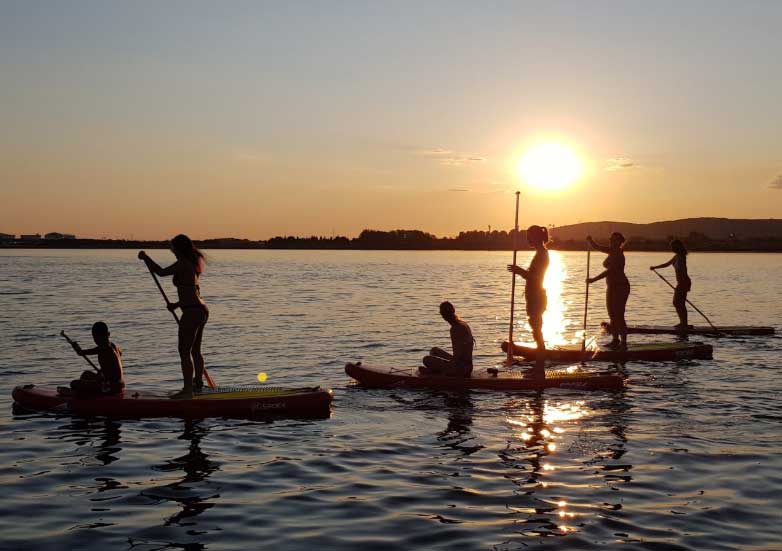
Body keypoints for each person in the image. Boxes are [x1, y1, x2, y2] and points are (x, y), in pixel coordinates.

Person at [138, 234, 208, 398]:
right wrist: (177, 305)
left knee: (184, 351)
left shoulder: (183, 264)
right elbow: (193, 292)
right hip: (201, 310)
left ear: (178, 248)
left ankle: (188, 390)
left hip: (192, 312)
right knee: (195, 351)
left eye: (172, 246)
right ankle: (197, 384)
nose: (171, 249)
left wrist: (146, 258)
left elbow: (161, 272)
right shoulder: (191, 264)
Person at [507, 225, 550, 378]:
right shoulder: (539, 253)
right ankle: (538, 365)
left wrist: (519, 271)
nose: (527, 239)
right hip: (533, 296)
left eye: (529, 236)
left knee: (537, 332)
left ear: (537, 237)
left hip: (537, 297)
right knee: (535, 331)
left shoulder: (542, 255)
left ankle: (540, 368)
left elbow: (535, 278)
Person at [587, 232, 630, 350]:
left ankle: (624, 343)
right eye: (611, 239)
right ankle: (615, 340)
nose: (611, 241)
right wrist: (591, 241)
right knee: (612, 315)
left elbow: (609, 271)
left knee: (619, 315)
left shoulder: (619, 255)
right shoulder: (611, 251)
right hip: (611, 286)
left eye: (614, 240)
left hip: (621, 287)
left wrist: (593, 280)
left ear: (620, 242)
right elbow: (598, 247)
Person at [67, 322, 124, 396]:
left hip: (110, 387)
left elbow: (80, 353)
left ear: (95, 337)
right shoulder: (114, 346)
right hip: (119, 385)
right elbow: (115, 360)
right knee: (86, 374)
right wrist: (103, 371)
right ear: (108, 334)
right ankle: (86, 391)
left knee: (74, 383)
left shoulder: (103, 348)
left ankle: (81, 395)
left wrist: (75, 346)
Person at [420, 301, 474, 377]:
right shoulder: (463, 324)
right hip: (468, 366)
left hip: (461, 369)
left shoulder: (455, 329)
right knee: (434, 350)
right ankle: (436, 370)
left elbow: (457, 358)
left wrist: (440, 366)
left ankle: (436, 373)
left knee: (426, 359)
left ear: (443, 316)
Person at [650, 239, 691, 329]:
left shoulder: (681, 257)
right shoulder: (676, 257)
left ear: (677, 247)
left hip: (683, 283)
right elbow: (666, 264)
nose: (671, 248)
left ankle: (684, 324)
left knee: (678, 302)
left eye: (672, 246)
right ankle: (683, 323)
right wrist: (655, 267)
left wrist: (685, 285)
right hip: (681, 283)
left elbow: (683, 271)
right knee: (678, 303)